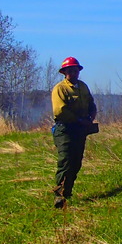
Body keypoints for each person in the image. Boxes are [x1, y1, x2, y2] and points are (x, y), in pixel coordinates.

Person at [51, 56, 97, 208]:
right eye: (69, 70)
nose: (73, 72)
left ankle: (67, 192)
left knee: (76, 162)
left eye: (75, 69)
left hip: (80, 129)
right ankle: (59, 196)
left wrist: (91, 117)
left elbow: (91, 104)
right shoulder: (60, 88)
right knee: (66, 160)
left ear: (79, 71)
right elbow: (60, 111)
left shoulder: (83, 87)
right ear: (64, 72)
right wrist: (79, 120)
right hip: (65, 129)